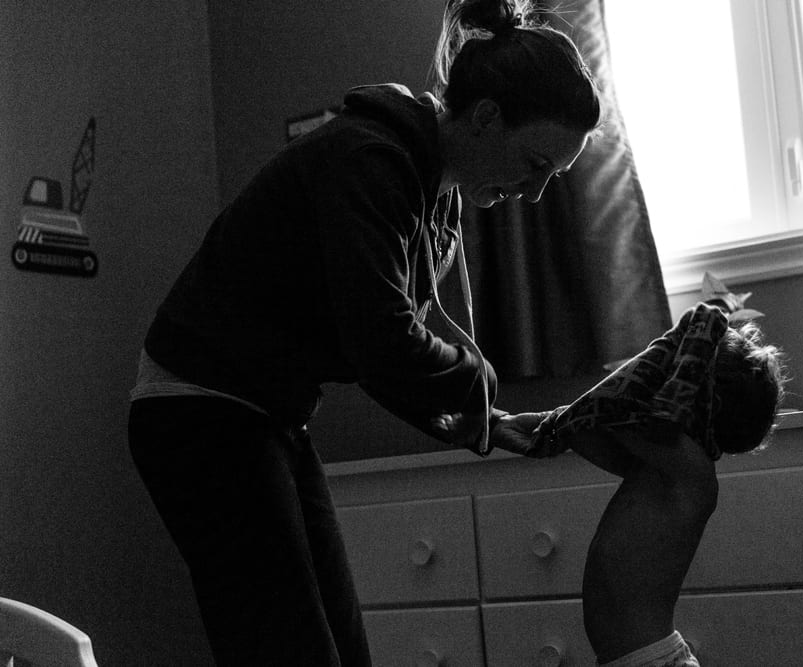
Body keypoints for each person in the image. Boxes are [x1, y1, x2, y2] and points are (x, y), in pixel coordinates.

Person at [127, 1, 602, 664]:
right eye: (533, 164)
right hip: (197, 408)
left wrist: (485, 421)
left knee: (346, 650)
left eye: (554, 176)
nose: (534, 192)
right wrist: (480, 380)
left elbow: (382, 353)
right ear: (487, 116)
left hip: (268, 412)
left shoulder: (431, 187)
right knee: (290, 652)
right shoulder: (371, 160)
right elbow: (383, 340)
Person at [530, 303, 786, 666]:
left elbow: (612, 411)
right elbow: (582, 428)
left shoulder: (692, 474)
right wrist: (509, 426)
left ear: (691, 394)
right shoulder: (657, 463)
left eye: (676, 369)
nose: (662, 374)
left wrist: (697, 335)